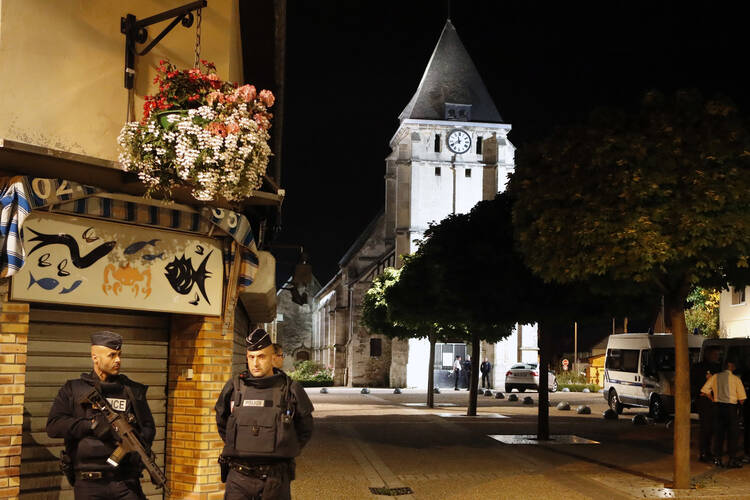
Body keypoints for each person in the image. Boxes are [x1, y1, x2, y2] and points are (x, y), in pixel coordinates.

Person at [47, 331, 155, 500]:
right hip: (89, 484)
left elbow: (148, 428)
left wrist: (133, 443)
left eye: (119, 355)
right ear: (95, 358)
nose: (118, 360)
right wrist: (91, 425)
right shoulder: (73, 389)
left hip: (126, 482)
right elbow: (53, 426)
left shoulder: (131, 391)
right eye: (112, 355)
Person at [215, 328, 314, 499]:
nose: (255, 363)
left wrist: (282, 445)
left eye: (261, 357)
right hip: (238, 478)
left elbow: (305, 429)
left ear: (273, 358)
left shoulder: (291, 389)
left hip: (275, 479)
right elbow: (222, 422)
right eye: (251, 357)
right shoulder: (233, 387)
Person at [701, 357, 747, 468]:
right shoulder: (736, 379)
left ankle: (718, 458)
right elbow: (742, 399)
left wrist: (713, 399)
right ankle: (732, 459)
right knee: (733, 435)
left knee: (719, 434)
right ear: (731, 366)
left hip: (718, 407)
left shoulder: (715, 377)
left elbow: (704, 390)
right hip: (731, 408)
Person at [690, 346, 721, 462]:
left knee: (712, 427)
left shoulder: (717, 367)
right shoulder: (699, 368)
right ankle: (703, 452)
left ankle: (708, 451)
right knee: (706, 427)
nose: (717, 357)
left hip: (714, 400)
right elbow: (694, 383)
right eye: (715, 354)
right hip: (704, 400)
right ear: (708, 354)